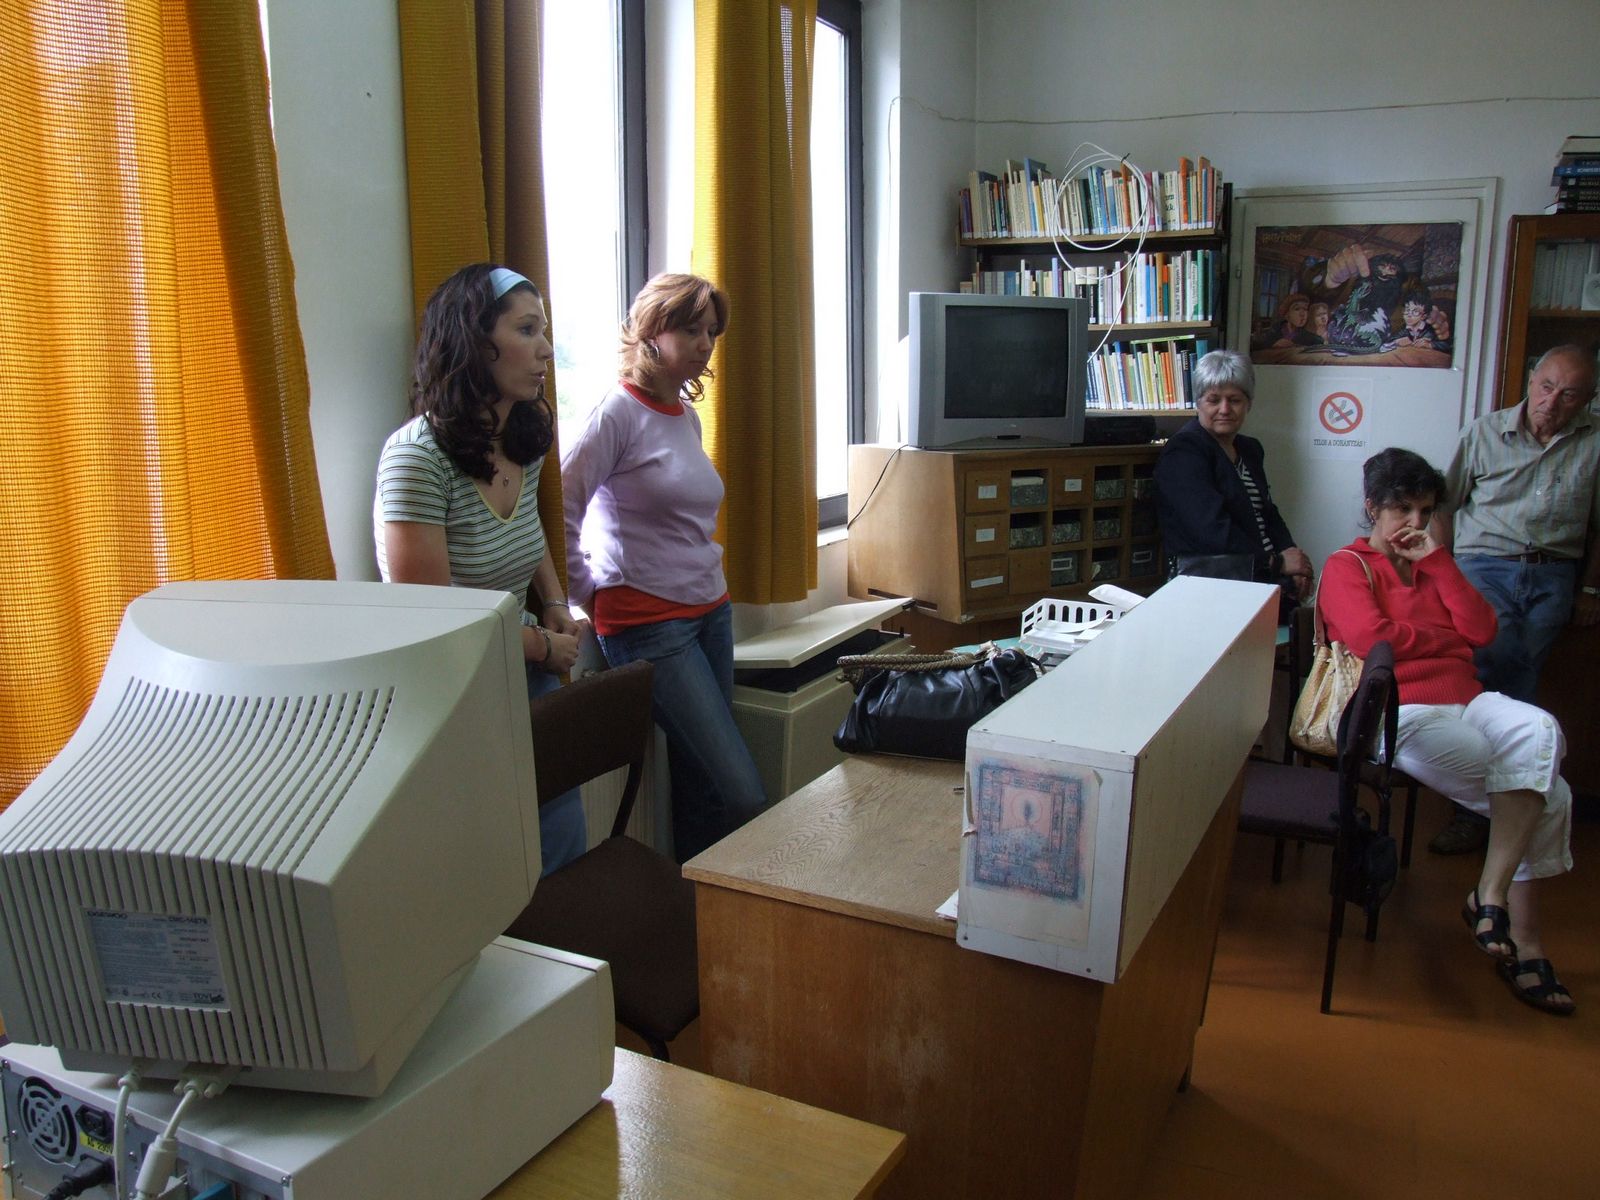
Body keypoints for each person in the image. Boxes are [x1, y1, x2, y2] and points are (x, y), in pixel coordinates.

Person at [1321, 448, 1575, 1015]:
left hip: (1468, 699)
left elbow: (1481, 631)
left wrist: (1439, 564)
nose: (1416, 522)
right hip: (1400, 710)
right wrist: (1443, 639)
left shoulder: (1435, 564)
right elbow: (1370, 639)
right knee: (1550, 793)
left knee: (1540, 729)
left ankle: (1489, 893)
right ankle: (1525, 941)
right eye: (1403, 509)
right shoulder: (1348, 565)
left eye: (1426, 510)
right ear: (1373, 507)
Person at [374, 263, 588, 874]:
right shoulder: (416, 458)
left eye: (544, 330)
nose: (545, 349)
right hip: (450, 691)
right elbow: (434, 620)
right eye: (526, 329)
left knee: (563, 842)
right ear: (473, 342)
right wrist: (542, 646)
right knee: (492, 866)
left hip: (520, 666)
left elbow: (525, 530)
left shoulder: (524, 434)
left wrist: (553, 601)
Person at [560, 273, 767, 863]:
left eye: (712, 332)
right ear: (652, 331)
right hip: (649, 625)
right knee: (743, 794)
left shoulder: (683, 415)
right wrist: (588, 594)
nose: (706, 344)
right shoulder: (616, 414)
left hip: (711, 612)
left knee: (703, 788)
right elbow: (562, 508)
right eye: (692, 330)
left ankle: (699, 909)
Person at [1424, 345, 1600, 855]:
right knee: (1495, 676)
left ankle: (1502, 810)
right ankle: (1481, 812)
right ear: (1530, 379)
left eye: (1569, 395)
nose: (1552, 402)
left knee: (1521, 686)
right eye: (1547, 387)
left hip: (1555, 575)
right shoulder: (1484, 432)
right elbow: (1441, 506)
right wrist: (1446, 577)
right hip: (1484, 567)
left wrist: (1591, 588)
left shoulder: (1594, 441)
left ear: (1588, 400)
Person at [1155, 349, 1314, 619]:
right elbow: (1210, 531)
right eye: (1214, 400)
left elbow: (1268, 514)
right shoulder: (1184, 452)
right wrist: (1277, 563)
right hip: (1210, 589)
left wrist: (1294, 560)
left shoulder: (1250, 449)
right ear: (1198, 403)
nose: (1225, 409)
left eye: (1235, 400)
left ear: (1248, 404)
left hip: (1258, 581)